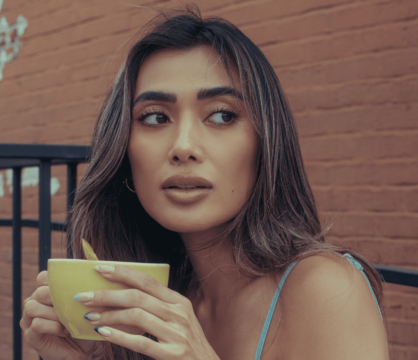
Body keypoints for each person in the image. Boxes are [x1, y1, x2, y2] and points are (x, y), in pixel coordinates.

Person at [20, 5, 389, 360]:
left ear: (266, 143)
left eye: (222, 115)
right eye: (153, 118)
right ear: (123, 151)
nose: (183, 147)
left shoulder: (326, 289)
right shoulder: (164, 297)